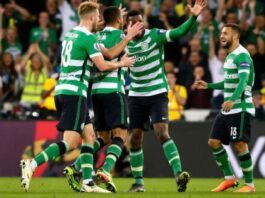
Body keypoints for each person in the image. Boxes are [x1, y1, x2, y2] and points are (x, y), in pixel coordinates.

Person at [20, 1, 138, 193]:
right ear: (92, 17)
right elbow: (103, 64)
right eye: (98, 16)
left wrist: (115, 19)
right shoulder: (88, 38)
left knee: (90, 137)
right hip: (74, 93)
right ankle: (32, 164)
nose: (99, 20)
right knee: (70, 142)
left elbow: (102, 49)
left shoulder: (70, 35)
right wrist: (121, 63)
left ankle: (88, 183)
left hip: (64, 90)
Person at [125, 0, 206, 192]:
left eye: (139, 22)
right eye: (133, 23)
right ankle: (138, 182)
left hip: (157, 92)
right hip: (136, 94)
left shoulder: (155, 35)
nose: (137, 26)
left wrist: (193, 16)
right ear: (127, 26)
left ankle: (179, 174)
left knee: (162, 132)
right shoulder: (123, 40)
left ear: (143, 22)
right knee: (135, 137)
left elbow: (178, 32)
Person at [64, 6, 130, 193]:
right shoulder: (121, 37)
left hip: (95, 93)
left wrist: (114, 17)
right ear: (119, 20)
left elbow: (103, 32)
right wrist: (128, 36)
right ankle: (105, 170)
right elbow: (119, 54)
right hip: (114, 91)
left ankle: (76, 166)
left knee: (102, 137)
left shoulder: (95, 36)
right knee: (120, 135)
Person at [193, 23, 256, 192]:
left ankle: (249, 185)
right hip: (228, 108)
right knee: (213, 142)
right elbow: (228, 82)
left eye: (225, 33)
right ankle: (229, 179)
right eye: (221, 33)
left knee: (240, 144)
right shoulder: (229, 56)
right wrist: (209, 85)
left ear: (235, 36)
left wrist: (233, 100)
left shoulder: (242, 55)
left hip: (240, 107)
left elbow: (243, 81)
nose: (221, 36)